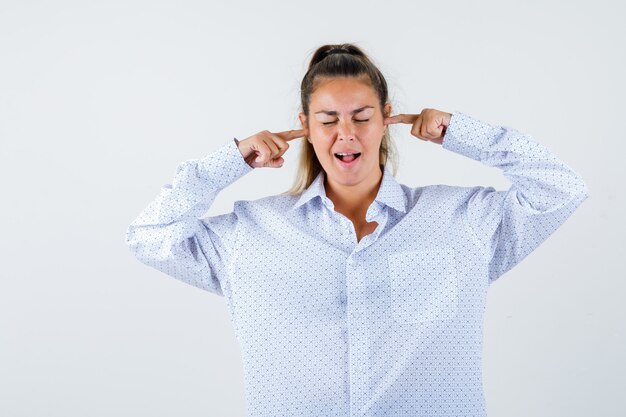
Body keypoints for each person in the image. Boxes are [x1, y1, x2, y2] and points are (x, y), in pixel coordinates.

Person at [125, 43, 589, 417]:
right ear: (304, 127)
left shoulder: (461, 220)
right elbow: (149, 235)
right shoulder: (251, 232)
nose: (346, 134)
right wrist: (231, 161)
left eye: (362, 117)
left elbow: (560, 187)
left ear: (386, 120)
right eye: (328, 120)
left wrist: (459, 131)